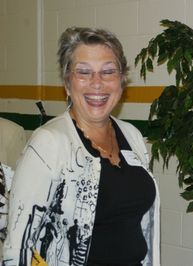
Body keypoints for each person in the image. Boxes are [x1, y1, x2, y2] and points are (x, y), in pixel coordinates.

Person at [3, 27, 160, 266]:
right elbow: (19, 245)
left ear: (121, 81)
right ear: (67, 84)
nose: (97, 83)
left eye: (108, 72)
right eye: (84, 72)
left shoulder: (133, 136)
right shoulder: (49, 143)